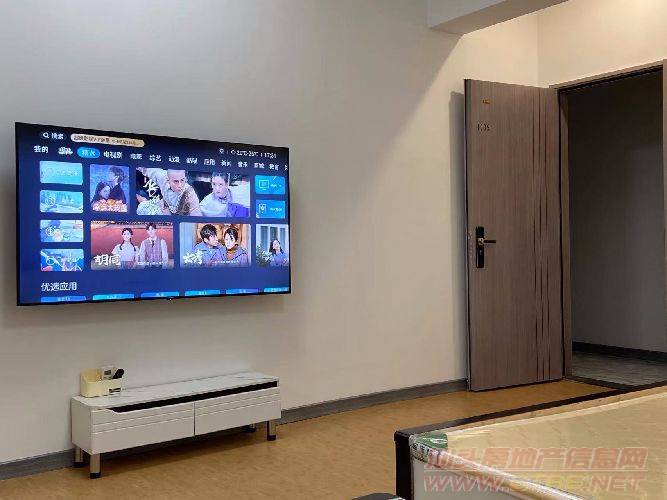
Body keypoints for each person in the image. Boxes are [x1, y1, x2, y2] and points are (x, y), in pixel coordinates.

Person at [136, 167, 202, 216]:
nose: (180, 185)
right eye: (176, 181)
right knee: (142, 208)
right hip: (162, 207)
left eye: (182, 180)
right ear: (168, 180)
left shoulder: (190, 194)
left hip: (178, 221)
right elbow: (147, 169)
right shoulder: (162, 177)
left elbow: (197, 218)